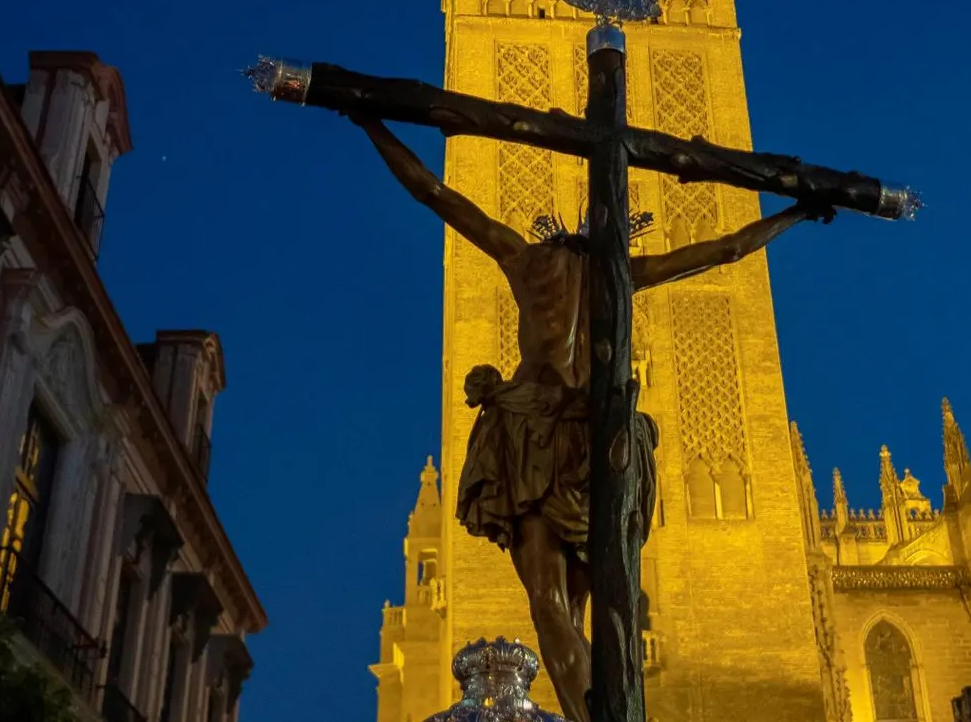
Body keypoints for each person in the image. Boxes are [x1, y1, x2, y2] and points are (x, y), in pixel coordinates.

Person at [352, 115, 830, 722]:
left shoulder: (525, 260)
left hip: (535, 433)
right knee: (589, 604)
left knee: (550, 604)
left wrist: (369, 120)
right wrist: (796, 213)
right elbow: (728, 249)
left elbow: (431, 190)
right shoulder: (618, 276)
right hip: (601, 438)